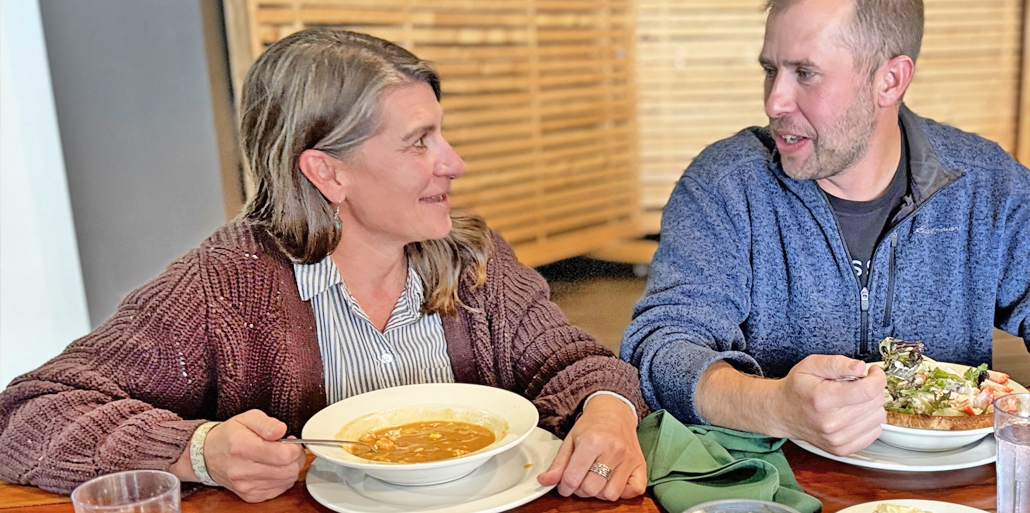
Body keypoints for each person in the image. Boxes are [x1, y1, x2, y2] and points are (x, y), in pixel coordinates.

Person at [0, 29, 646, 503]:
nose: (453, 162)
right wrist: (196, 450)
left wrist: (608, 408)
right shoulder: (220, 285)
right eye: (419, 141)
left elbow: (577, 364)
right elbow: (25, 413)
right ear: (325, 170)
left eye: (441, 134)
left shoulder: (475, 259)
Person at [621, 0, 1030, 464]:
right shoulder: (724, 184)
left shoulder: (987, 184)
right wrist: (776, 407)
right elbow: (661, 347)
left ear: (890, 80)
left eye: (805, 73)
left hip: (956, 490)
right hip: (780, 486)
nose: (775, 101)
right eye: (770, 70)